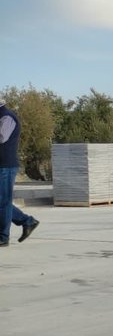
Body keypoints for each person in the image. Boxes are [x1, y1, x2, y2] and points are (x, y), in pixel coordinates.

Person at [1, 99, 39, 247]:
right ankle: (27, 221)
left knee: (3, 202)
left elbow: (2, 137)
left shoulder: (7, 116)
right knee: (2, 202)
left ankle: (3, 237)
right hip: (2, 166)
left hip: (5, 166)